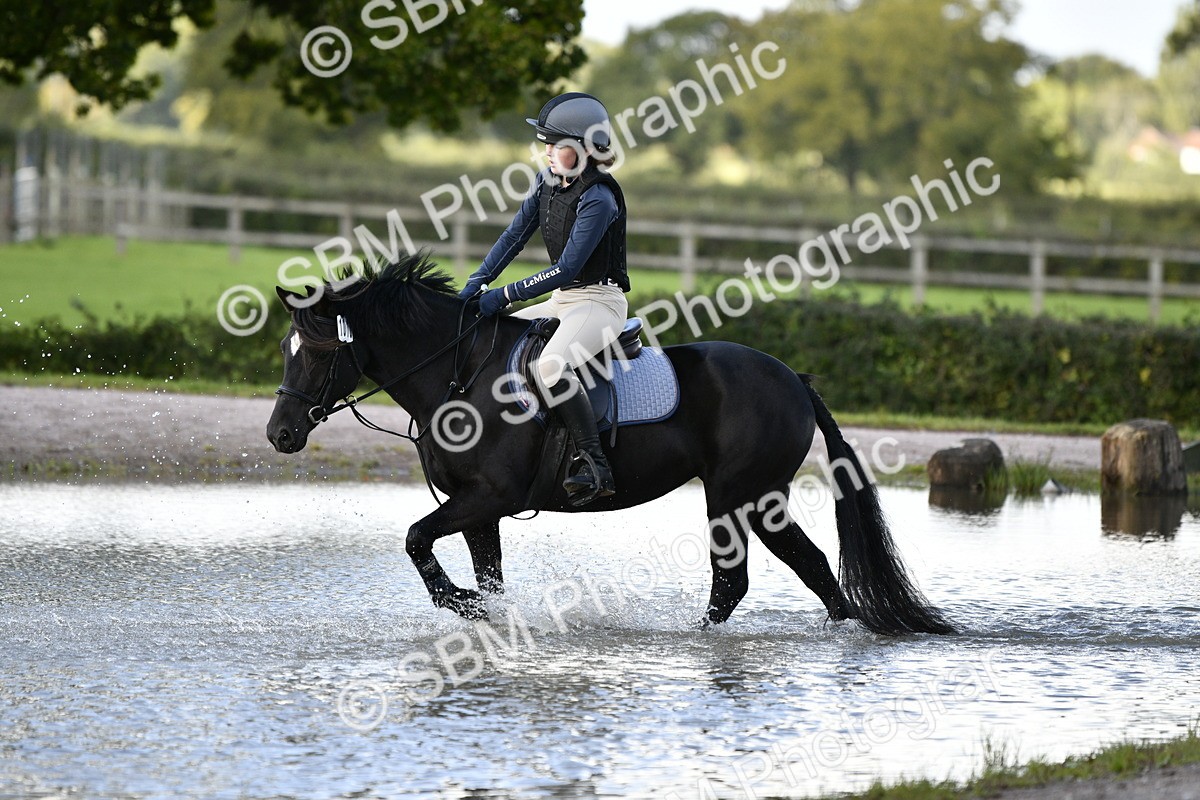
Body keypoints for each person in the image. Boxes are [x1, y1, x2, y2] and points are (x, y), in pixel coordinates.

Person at [460, 92, 629, 507]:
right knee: (492, 337)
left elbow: (568, 268)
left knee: (550, 366)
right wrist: (477, 283)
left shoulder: (599, 198)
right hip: (563, 300)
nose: (547, 151)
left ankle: (595, 464)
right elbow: (514, 237)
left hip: (598, 303)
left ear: (584, 150)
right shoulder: (547, 182)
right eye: (546, 143)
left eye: (556, 144)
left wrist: (505, 295)